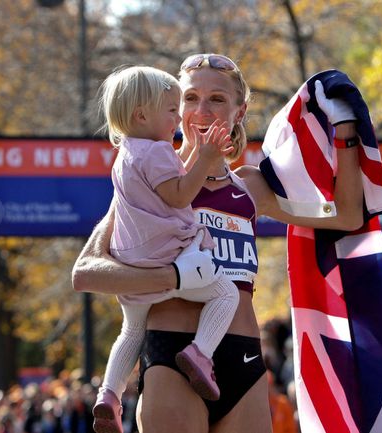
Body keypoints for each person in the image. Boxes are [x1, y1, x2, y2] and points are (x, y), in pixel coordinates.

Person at [73, 53, 365, 433]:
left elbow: (347, 216)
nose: (201, 111)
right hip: (172, 352)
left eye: (217, 99)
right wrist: (174, 277)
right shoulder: (150, 180)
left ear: (238, 111)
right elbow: (86, 273)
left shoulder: (250, 186)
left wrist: (346, 131)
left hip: (245, 360)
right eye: (190, 98)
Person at [91, 65, 242, 433]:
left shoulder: (127, 153)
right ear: (142, 115)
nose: (178, 118)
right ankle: (200, 354)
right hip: (167, 258)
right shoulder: (157, 152)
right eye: (172, 110)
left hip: (132, 262)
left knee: (131, 332)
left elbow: (168, 185)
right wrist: (205, 158)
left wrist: (195, 158)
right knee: (226, 294)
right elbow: (178, 195)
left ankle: (109, 394)